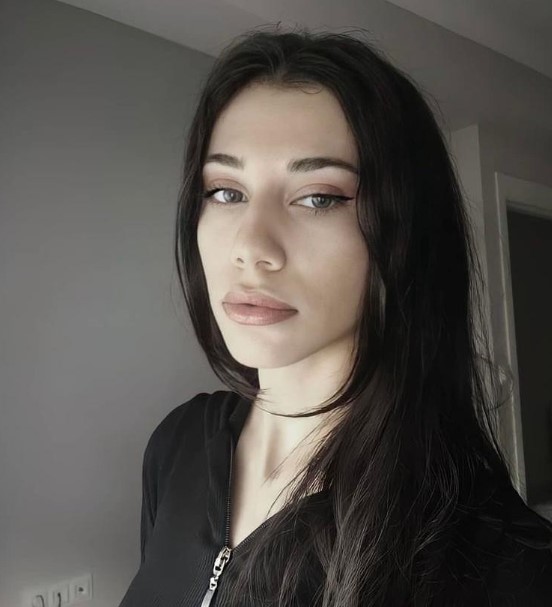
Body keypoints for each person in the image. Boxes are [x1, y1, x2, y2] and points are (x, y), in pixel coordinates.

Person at [119, 25, 552, 606]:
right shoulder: (176, 447)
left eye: (318, 197)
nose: (251, 247)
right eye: (225, 191)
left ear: (403, 232)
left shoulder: (508, 566)